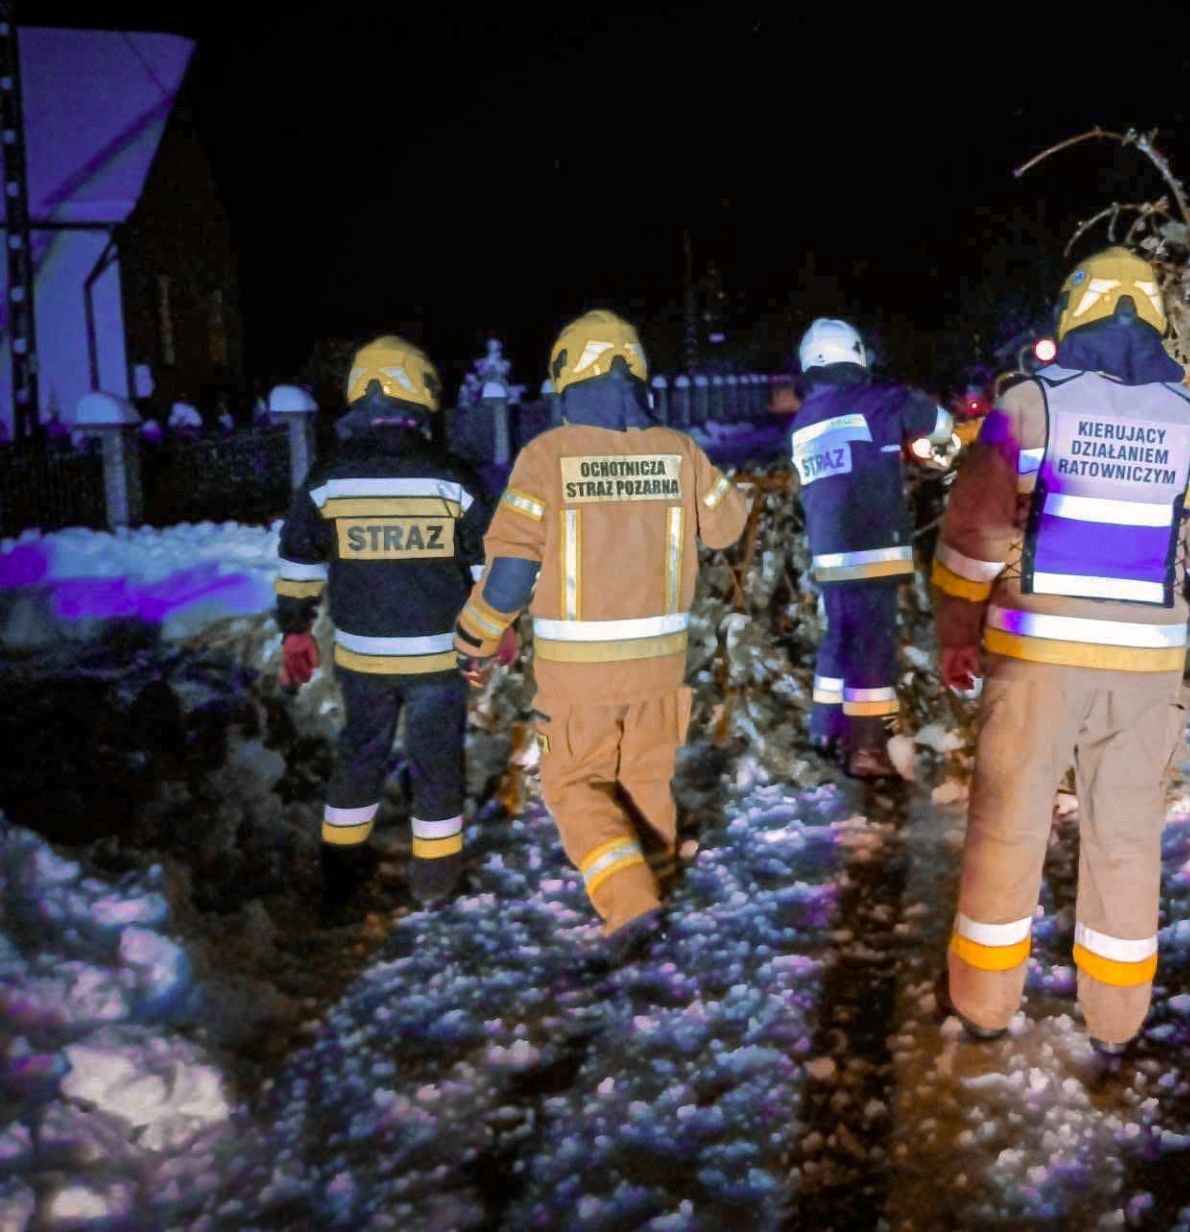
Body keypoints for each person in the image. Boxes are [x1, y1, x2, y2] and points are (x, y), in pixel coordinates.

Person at [931, 247, 1190, 1053]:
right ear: (1154, 320)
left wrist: (955, 632)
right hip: (1146, 677)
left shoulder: (1029, 405)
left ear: (1073, 313)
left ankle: (984, 1003)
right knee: (1125, 836)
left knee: (1008, 823)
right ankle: (1117, 1016)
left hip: (1033, 663)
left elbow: (974, 536)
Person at [453, 310, 750, 951]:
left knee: (571, 784)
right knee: (644, 778)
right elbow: (729, 527)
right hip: (662, 666)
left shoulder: (546, 457)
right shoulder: (678, 450)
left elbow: (510, 574)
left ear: (569, 378)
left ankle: (630, 903)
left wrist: (473, 638)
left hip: (578, 674)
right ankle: (658, 879)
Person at [275, 335, 501, 909]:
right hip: (436, 661)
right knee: (437, 765)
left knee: (359, 756)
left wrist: (295, 629)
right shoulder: (451, 476)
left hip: (363, 659)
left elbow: (299, 559)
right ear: (419, 395)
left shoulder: (327, 479)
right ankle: (436, 882)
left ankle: (341, 874)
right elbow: (486, 567)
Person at [787, 317, 954, 777]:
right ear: (856, 355)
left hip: (830, 551)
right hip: (871, 546)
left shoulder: (803, 421)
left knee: (839, 637)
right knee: (872, 650)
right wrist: (947, 444)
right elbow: (937, 425)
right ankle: (866, 748)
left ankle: (825, 727)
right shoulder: (880, 401)